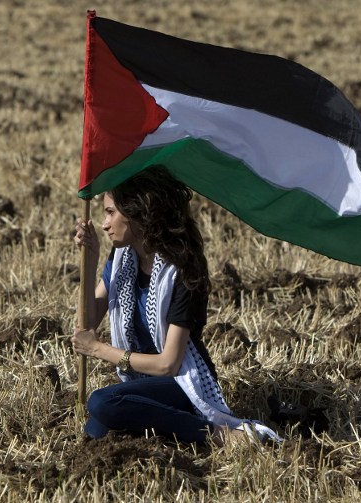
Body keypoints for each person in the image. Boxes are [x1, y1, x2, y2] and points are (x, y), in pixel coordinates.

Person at [72, 165, 281, 445]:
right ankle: (170, 429)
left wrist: (98, 349)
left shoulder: (182, 271)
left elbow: (168, 364)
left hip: (182, 381)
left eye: (111, 212)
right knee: (97, 430)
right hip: (140, 381)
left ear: (138, 213)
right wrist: (90, 259)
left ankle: (218, 435)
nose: (105, 223)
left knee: (102, 402)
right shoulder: (122, 258)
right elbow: (86, 323)